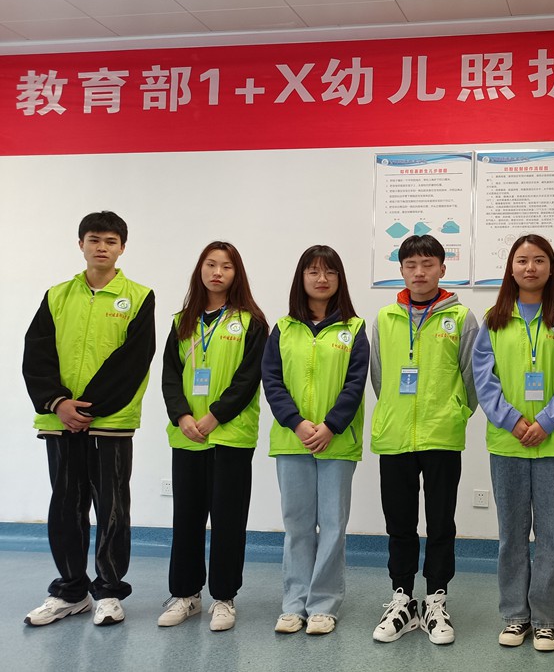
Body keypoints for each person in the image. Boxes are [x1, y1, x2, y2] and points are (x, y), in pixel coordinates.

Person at [22, 211, 156, 627]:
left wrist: (88, 409)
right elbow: (36, 354)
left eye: (111, 241)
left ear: (122, 248)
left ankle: (109, 592)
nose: (102, 247)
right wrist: (58, 403)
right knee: (65, 506)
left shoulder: (139, 297)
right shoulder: (57, 296)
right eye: (94, 239)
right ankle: (71, 591)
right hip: (59, 421)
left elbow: (134, 360)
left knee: (112, 508)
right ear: (80, 244)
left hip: (110, 423)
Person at [473, 235, 554, 652]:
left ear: (551, 267)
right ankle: (515, 616)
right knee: (511, 536)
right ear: (511, 268)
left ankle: (546, 620)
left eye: (539, 260)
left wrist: (547, 421)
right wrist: (514, 421)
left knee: (551, 537)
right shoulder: (495, 319)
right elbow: (484, 379)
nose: (530, 267)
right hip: (508, 444)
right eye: (522, 260)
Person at [369, 234, 478, 646]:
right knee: (399, 523)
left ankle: (435, 598)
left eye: (428, 264)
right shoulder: (384, 319)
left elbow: (471, 378)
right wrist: (394, 410)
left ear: (442, 269)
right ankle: (402, 598)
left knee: (441, 522)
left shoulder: (462, 317)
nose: (419, 272)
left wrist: (455, 411)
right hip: (395, 434)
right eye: (411, 265)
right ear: (401, 270)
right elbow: (379, 376)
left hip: (441, 435)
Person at [158, 242, 267, 632]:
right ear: (200, 270)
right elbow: (170, 376)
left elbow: (248, 379)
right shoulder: (182, 322)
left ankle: (224, 597)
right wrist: (183, 416)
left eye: (226, 266)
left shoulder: (251, 322)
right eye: (210, 264)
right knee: (186, 517)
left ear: (237, 274)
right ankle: (185, 594)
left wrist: (214, 417)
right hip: (187, 435)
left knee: (228, 519)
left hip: (231, 435)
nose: (217, 272)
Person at [262, 246, 368, 636]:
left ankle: (323, 604)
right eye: (313, 271)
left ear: (340, 279)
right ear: (301, 278)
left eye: (330, 272)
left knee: (334, 525)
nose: (322, 279)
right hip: (293, 441)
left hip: (337, 441)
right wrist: (297, 423)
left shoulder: (354, 328)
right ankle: (294, 604)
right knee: (297, 525)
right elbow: (272, 380)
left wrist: (330, 426)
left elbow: (356, 383)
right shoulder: (283, 328)